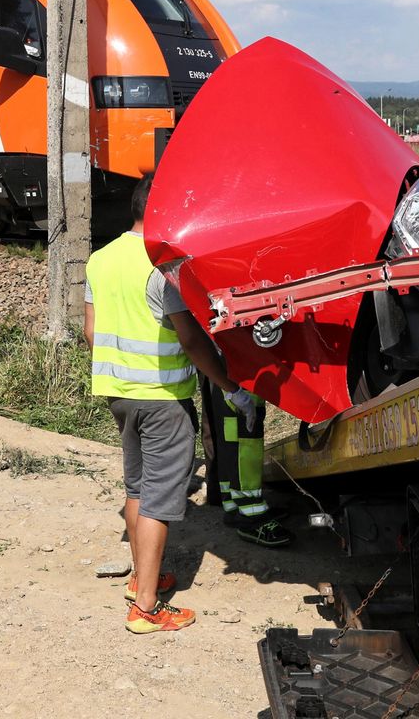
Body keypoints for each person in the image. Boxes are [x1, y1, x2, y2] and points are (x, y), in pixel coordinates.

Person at [84, 175, 259, 634]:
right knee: (161, 498)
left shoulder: (100, 260)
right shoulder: (163, 268)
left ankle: (143, 575)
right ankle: (146, 607)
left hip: (118, 393)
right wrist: (230, 387)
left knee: (138, 487)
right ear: (162, 213)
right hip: (163, 398)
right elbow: (193, 342)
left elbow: (91, 333)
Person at [204, 383, 294, 547]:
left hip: (230, 381)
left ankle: (235, 507)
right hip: (238, 382)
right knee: (244, 442)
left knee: (231, 440)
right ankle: (251, 516)